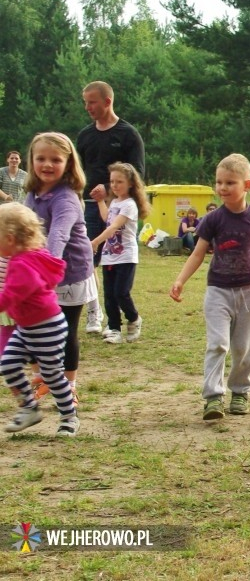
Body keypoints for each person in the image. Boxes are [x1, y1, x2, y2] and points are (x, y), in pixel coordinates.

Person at [169, 154, 250, 421]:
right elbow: (197, 254)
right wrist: (180, 280)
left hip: (249, 292)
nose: (223, 188)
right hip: (218, 291)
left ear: (247, 185)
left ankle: (240, 391)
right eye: (219, 182)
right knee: (218, 344)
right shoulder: (213, 219)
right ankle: (213, 397)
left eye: (230, 182)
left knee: (245, 348)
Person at [23, 133, 94, 406]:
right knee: (31, 329)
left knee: (66, 332)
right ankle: (46, 379)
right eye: (41, 158)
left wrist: (44, 273)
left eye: (56, 159)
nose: (47, 164)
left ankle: (69, 386)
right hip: (39, 274)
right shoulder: (32, 193)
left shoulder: (65, 198)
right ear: (32, 160)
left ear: (68, 163)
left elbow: (58, 237)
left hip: (69, 275)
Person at [0, 203, 79, 436]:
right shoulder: (26, 257)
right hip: (27, 327)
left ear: (11, 239)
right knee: (8, 365)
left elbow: (11, 295)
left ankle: (69, 417)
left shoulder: (23, 265)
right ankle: (29, 408)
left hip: (47, 327)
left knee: (52, 375)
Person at [76, 81, 145, 336]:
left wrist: (108, 188)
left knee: (116, 263)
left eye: (92, 102)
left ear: (107, 102)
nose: (87, 107)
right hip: (91, 207)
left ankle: (126, 316)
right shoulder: (84, 136)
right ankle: (96, 312)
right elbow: (79, 171)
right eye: (85, 102)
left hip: (120, 209)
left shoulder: (128, 134)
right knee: (87, 260)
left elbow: (137, 173)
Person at [90, 162, 149, 345]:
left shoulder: (130, 205)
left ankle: (134, 318)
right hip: (110, 256)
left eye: (119, 182)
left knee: (121, 293)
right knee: (109, 295)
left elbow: (115, 226)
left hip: (126, 256)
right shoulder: (115, 202)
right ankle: (114, 328)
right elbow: (108, 218)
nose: (114, 185)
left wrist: (96, 242)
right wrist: (101, 201)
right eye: (112, 182)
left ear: (130, 183)